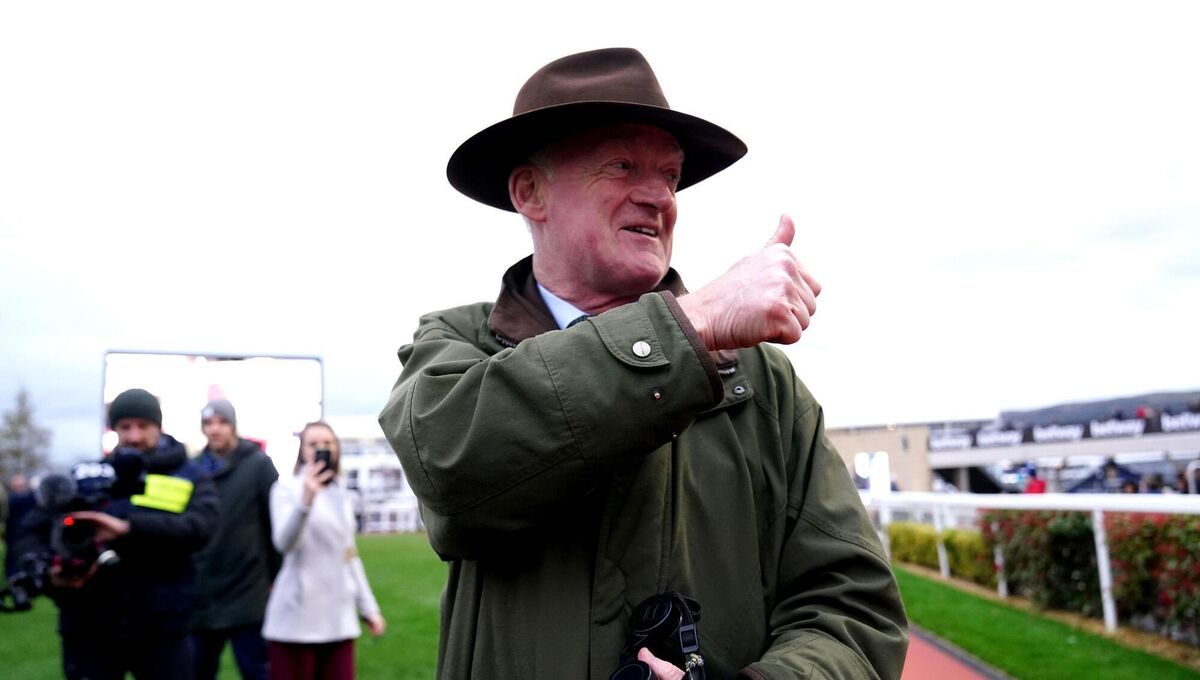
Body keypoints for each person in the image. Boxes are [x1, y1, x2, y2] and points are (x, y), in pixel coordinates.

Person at [379, 48, 907, 679]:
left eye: (671, 175)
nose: (659, 196)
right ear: (530, 192)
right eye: (623, 165)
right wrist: (692, 327)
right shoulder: (458, 344)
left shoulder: (764, 383)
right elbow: (454, 475)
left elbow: (854, 607)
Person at [28, 388, 219, 679]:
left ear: (159, 426)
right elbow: (42, 529)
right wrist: (56, 568)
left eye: (143, 426)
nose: (134, 436)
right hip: (93, 623)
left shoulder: (190, 475)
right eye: (124, 427)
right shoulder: (90, 476)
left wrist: (128, 528)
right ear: (114, 429)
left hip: (163, 624)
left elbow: (201, 527)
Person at [263, 421, 385, 680]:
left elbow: (349, 554)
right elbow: (284, 543)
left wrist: (368, 608)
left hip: (338, 619)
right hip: (295, 619)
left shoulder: (342, 494)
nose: (321, 448)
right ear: (302, 451)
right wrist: (305, 501)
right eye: (313, 444)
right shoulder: (285, 489)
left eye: (327, 443)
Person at [192, 399, 280, 680]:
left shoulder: (258, 465)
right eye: (208, 423)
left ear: (233, 425)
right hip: (201, 594)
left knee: (257, 672)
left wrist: (275, 577)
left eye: (221, 422)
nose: (215, 429)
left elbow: (275, 525)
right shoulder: (192, 470)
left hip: (248, 593)